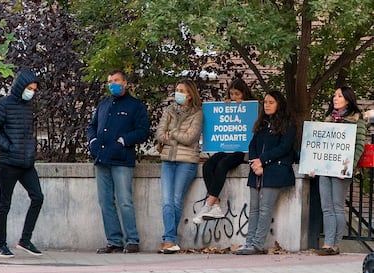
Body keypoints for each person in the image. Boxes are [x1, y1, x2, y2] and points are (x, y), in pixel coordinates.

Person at [87, 70, 149, 254]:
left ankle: (132, 241)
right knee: (105, 201)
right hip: (101, 158)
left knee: (125, 201)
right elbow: (92, 126)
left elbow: (143, 131)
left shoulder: (135, 106)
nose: (112, 84)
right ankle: (114, 241)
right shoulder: (104, 104)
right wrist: (92, 142)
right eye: (109, 81)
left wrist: (124, 140)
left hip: (122, 160)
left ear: (125, 83)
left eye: (115, 80)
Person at [0, 69, 44, 258]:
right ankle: (1, 246)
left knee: (38, 197)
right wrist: (8, 146)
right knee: (5, 204)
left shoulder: (28, 106)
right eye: (29, 88)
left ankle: (25, 240)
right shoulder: (4, 104)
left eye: (34, 89)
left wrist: (29, 150)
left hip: (26, 163)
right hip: (8, 163)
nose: (31, 92)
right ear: (20, 87)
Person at [235, 90, 296, 255]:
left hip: (275, 170)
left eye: (271, 102)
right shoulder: (261, 123)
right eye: (265, 102)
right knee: (254, 208)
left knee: (265, 208)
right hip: (257, 170)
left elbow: (284, 147)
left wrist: (263, 160)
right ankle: (248, 243)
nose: (267, 105)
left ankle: (257, 244)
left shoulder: (288, 123)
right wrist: (255, 163)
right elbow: (252, 145)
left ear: (279, 104)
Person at [193, 77, 255, 224]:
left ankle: (208, 204)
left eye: (237, 94)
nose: (234, 97)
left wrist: (244, 107)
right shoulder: (227, 104)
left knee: (222, 166)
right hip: (225, 147)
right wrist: (227, 106)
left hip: (241, 151)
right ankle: (216, 205)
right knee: (208, 165)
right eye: (232, 94)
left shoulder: (252, 106)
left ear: (244, 94)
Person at [313, 87, 366, 256]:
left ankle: (335, 245)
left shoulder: (357, 120)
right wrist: (313, 165)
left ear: (348, 99)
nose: (335, 98)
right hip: (325, 168)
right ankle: (327, 244)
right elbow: (320, 145)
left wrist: (347, 167)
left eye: (339, 95)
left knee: (337, 206)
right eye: (334, 95)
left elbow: (359, 146)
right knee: (326, 207)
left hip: (341, 170)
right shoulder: (328, 119)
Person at [155, 79, 203, 254]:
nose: (178, 93)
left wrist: (172, 133)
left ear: (190, 94)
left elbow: (190, 138)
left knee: (176, 200)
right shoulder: (168, 111)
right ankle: (170, 240)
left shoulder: (197, 113)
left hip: (187, 162)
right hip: (168, 159)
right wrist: (173, 135)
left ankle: (169, 240)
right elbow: (160, 134)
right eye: (176, 89)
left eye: (182, 90)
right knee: (167, 201)